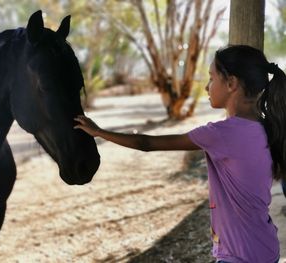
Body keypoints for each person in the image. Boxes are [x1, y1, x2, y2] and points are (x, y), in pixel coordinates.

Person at [74, 45, 286, 263]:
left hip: (239, 256)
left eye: (211, 78)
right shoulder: (267, 126)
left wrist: (98, 132)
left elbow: (145, 143)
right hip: (266, 248)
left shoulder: (221, 134)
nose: (206, 87)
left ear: (231, 83)